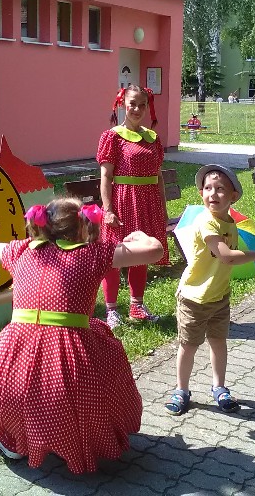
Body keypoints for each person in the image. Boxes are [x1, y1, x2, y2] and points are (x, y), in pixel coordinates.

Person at [0, 198, 163, 474]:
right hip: (67, 364)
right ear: (82, 227)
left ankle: (15, 437)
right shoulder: (93, 254)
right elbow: (155, 250)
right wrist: (140, 236)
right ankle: (79, 437)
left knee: (19, 384)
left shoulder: (21, 250)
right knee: (106, 359)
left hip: (11, 361)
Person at [165, 164, 255, 416]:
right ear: (201, 193)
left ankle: (219, 388)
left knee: (218, 343)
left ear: (233, 196)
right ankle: (181, 390)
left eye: (220, 189)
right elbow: (227, 257)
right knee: (188, 346)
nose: (213, 193)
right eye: (208, 188)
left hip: (219, 296)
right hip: (194, 298)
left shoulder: (229, 222)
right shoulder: (206, 222)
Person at [97, 84, 169, 328]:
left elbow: (158, 176)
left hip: (147, 202)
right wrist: (108, 210)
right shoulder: (113, 137)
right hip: (123, 200)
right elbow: (106, 176)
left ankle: (137, 306)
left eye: (142, 105)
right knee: (115, 254)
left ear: (147, 107)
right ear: (122, 105)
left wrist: (162, 208)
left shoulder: (152, 138)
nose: (137, 109)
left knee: (141, 252)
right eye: (132, 104)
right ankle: (111, 310)